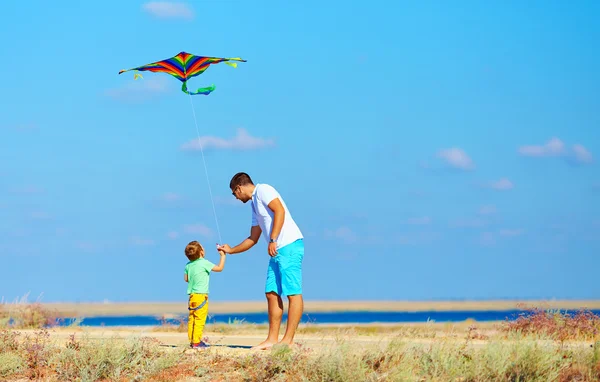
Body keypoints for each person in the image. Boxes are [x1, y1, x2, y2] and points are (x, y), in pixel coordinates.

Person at [217, 172, 305, 350]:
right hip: (276, 250)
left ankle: (287, 340)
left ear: (239, 188)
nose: (235, 198)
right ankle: (272, 339)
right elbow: (253, 238)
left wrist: (273, 239)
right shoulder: (254, 206)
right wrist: (231, 250)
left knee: (292, 292)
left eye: (234, 194)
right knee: (271, 292)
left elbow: (279, 209)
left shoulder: (263, 189)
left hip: (288, 245)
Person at [184, 240, 226, 349]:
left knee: (192, 319)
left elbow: (186, 279)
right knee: (199, 320)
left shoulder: (188, 265)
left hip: (192, 296)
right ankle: (197, 342)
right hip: (201, 296)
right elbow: (219, 268)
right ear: (201, 252)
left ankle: (192, 340)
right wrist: (222, 256)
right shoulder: (204, 262)